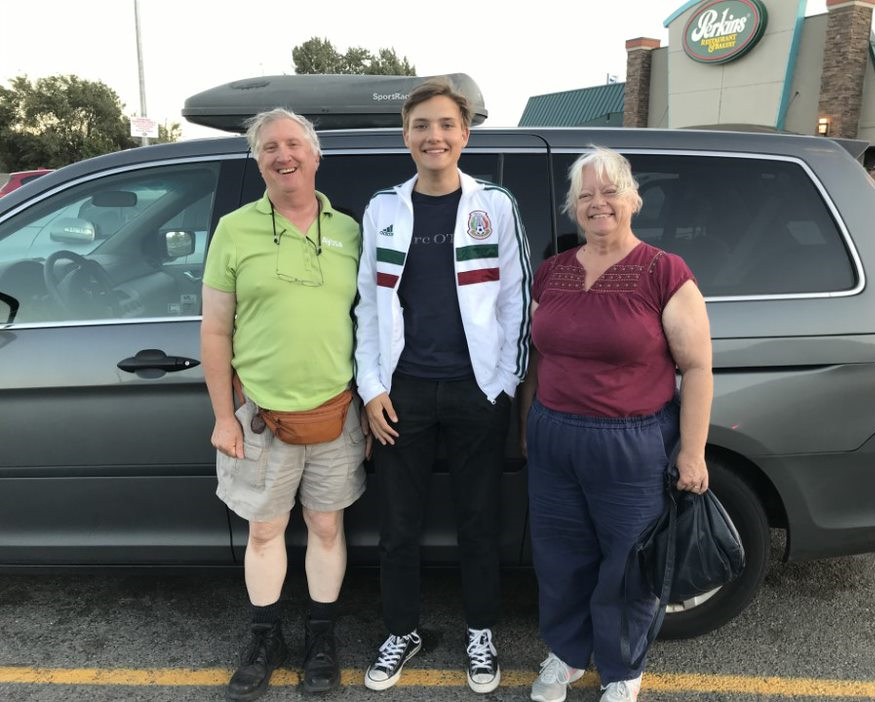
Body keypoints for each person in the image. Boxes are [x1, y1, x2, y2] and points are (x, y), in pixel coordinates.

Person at [354, 77, 532, 694]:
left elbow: (516, 302)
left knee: (479, 522)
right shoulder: (384, 208)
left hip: (475, 392)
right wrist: (372, 388)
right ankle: (400, 630)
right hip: (401, 396)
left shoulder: (496, 205)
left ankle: (480, 631)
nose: (434, 136)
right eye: (421, 126)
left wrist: (503, 384)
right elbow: (368, 310)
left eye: (446, 125)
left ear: (465, 133)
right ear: (405, 136)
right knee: (398, 526)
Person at [521, 147, 713, 702]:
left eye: (609, 191)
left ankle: (622, 672)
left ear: (633, 199)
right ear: (573, 207)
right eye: (585, 194)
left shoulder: (663, 271)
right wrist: (526, 428)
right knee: (559, 559)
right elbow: (539, 359)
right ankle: (565, 655)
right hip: (554, 436)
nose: (598, 202)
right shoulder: (552, 272)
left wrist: (692, 452)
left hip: (631, 443)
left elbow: (697, 367)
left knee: (628, 565)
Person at [201, 108, 367, 701]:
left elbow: (371, 322)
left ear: (315, 155)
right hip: (260, 416)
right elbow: (216, 329)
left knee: (326, 525)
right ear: (258, 159)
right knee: (266, 531)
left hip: (337, 411)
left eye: (294, 143)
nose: (283, 154)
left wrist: (369, 401)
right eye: (269, 147)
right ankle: (265, 636)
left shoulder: (349, 231)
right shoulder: (234, 230)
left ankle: (321, 637)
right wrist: (224, 416)